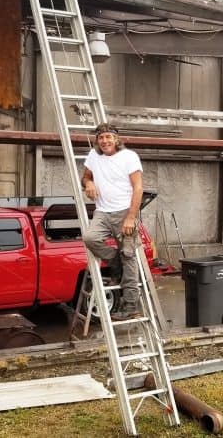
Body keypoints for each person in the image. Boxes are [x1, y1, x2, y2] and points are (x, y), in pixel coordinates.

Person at [81, 123, 145, 320]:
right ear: (97, 141)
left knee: (128, 255)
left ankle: (131, 305)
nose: (105, 141)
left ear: (116, 139)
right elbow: (85, 176)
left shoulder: (129, 157)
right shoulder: (93, 156)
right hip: (102, 212)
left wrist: (131, 217)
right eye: (101, 138)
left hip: (124, 212)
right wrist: (89, 183)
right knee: (90, 238)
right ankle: (115, 262)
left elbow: (138, 188)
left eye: (108, 137)